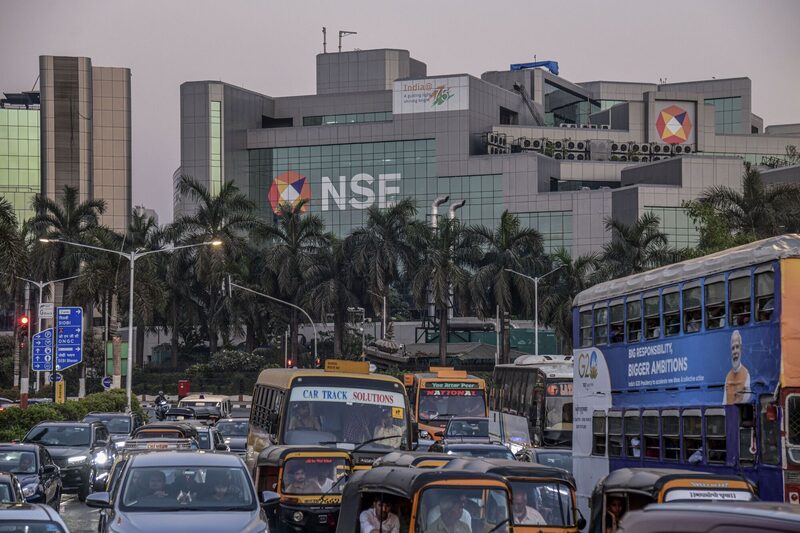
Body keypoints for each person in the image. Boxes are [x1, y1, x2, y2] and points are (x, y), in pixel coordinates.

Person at [724, 330, 752, 405]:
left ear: (741, 349)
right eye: (733, 348)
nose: (735, 351)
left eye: (737, 347)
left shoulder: (746, 374)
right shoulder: (728, 377)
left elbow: (746, 399)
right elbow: (724, 402)